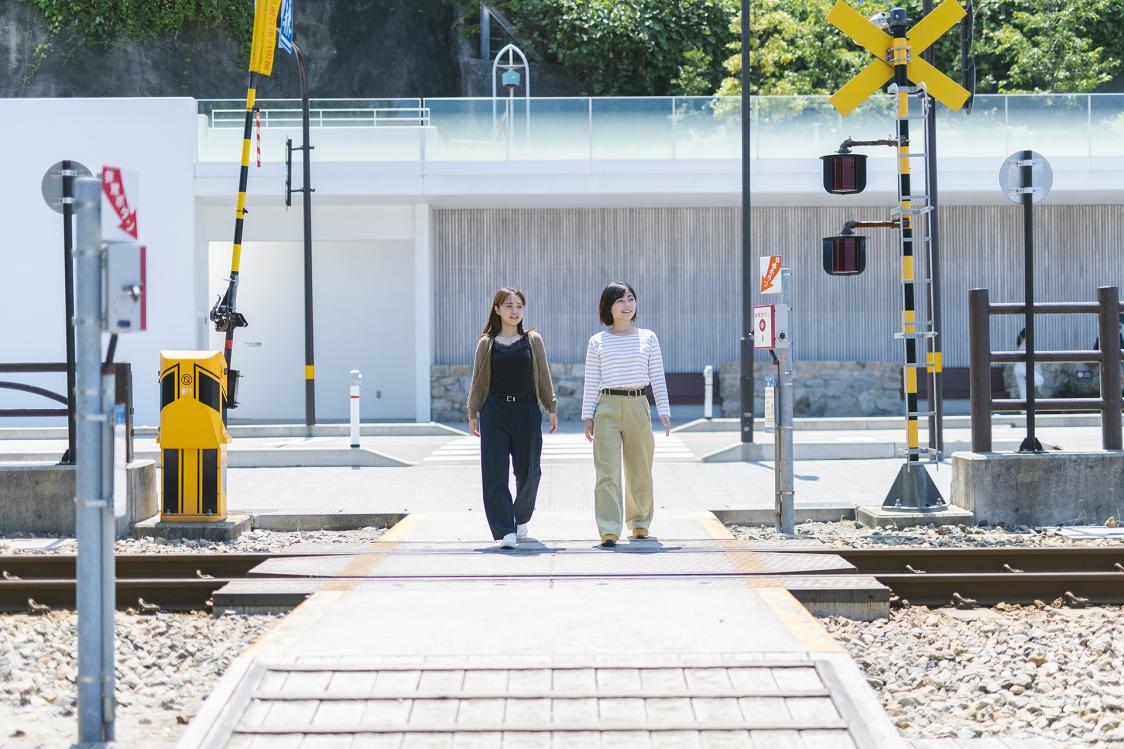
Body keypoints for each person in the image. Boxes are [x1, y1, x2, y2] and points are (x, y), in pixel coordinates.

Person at [581, 282, 671, 547]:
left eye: (631, 298)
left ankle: (640, 522)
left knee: (640, 468)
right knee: (606, 471)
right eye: (620, 300)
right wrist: (588, 415)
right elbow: (591, 380)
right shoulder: (597, 341)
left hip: (637, 403)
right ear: (608, 306)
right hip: (606, 406)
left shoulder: (648, 337)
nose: (627, 305)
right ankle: (609, 527)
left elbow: (657, 375)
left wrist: (664, 410)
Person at [467, 288, 558, 549]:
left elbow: (543, 375)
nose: (514, 311)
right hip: (494, 411)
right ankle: (504, 529)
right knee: (494, 472)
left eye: (519, 306)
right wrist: (473, 412)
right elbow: (478, 381)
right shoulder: (487, 342)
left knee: (530, 471)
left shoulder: (532, 340)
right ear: (497, 310)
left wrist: (550, 406)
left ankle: (520, 517)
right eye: (508, 306)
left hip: (527, 410)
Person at [1013, 328, 1044, 401]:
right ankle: (1036, 382)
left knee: (1023, 390)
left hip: (1018, 368)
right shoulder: (1025, 345)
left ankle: (1024, 411)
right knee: (1038, 379)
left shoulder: (1020, 345)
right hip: (1022, 367)